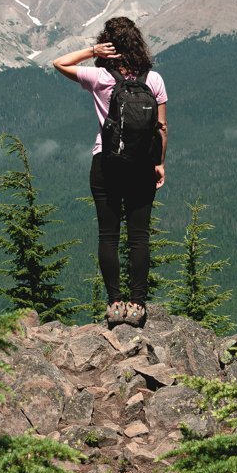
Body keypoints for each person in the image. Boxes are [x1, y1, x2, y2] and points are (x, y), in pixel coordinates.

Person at [53, 17, 167, 327]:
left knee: (108, 235)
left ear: (109, 45)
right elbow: (162, 128)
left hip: (106, 164)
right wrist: (160, 163)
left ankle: (115, 303)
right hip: (143, 166)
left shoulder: (100, 77)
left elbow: (58, 63)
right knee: (139, 237)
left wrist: (92, 50)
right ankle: (138, 304)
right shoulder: (153, 80)